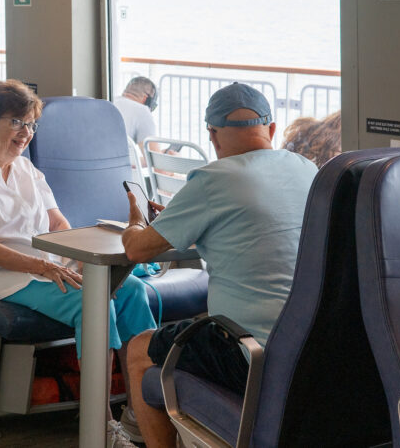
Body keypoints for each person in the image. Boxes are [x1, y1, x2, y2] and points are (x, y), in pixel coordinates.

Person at [0, 79, 156, 441]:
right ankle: (100, 424)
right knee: (94, 305)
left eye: (31, 124)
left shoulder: (26, 169)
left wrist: (79, 258)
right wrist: (44, 266)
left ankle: (140, 411)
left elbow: (57, 222)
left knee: (133, 291)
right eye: (16, 122)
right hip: (4, 277)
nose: (26, 133)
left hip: (50, 266)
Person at [121, 83, 317, 448]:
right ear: (271, 129)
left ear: (212, 134)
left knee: (138, 350)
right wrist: (182, 222)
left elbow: (137, 251)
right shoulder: (307, 169)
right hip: (312, 348)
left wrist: (136, 222)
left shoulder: (213, 179)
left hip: (250, 354)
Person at [112, 77, 165, 157]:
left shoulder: (110, 100)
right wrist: (175, 158)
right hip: (116, 167)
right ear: (146, 99)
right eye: (153, 106)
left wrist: (153, 157)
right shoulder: (142, 111)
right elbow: (158, 165)